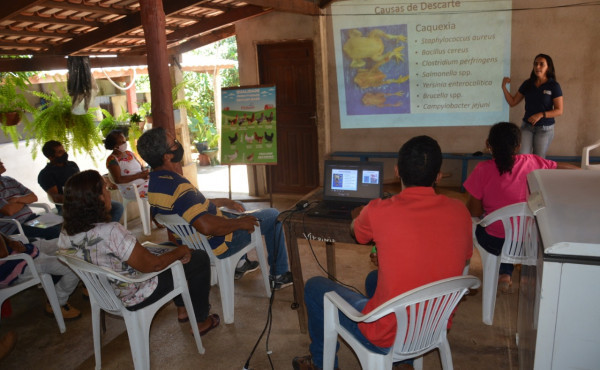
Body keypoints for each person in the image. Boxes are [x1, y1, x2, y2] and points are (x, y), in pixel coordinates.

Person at [292, 136, 473, 370]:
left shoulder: (378, 210)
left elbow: (357, 234)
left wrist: (360, 214)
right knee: (373, 279)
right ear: (439, 176)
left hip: (383, 336)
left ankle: (320, 362)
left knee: (315, 286)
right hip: (433, 326)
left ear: (397, 171)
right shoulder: (460, 211)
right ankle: (404, 362)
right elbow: (457, 256)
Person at [57, 170, 219, 334]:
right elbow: (154, 265)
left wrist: (174, 252)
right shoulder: (110, 231)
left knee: (168, 245)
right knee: (199, 258)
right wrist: (183, 250)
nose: (108, 192)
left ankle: (182, 309)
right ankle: (201, 321)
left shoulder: (66, 231)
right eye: (105, 189)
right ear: (96, 198)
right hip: (136, 292)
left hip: (107, 289)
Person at [136, 127, 293, 289]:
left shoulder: (155, 185)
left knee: (239, 207)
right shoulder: (178, 186)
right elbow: (207, 226)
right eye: (173, 143)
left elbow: (190, 206)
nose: (178, 144)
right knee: (273, 215)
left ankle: (240, 264)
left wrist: (224, 201)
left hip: (195, 241)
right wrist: (240, 223)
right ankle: (279, 275)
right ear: (167, 156)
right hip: (219, 243)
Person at [463, 122, 578, 292]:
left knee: (484, 225)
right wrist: (587, 172)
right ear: (518, 146)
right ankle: (508, 271)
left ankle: (504, 272)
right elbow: (562, 169)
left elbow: (475, 211)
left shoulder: (482, 170)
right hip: (530, 242)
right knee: (514, 227)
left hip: (495, 243)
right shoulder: (533, 162)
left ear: (488, 144)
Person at [37, 140, 123, 222]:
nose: (64, 153)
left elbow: (82, 184)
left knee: (117, 207)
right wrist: (81, 199)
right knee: (89, 215)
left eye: (63, 150)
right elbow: (56, 198)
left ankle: (106, 231)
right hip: (68, 206)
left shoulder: (72, 165)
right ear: (50, 157)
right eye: (60, 152)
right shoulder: (46, 174)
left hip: (87, 200)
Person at [0, 232, 81, 320]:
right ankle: (57, 302)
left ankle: (89, 280)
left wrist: (9, 240)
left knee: (65, 242)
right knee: (74, 266)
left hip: (21, 252)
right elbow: (3, 254)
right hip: (11, 268)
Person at [501, 53, 563, 158]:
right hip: (527, 127)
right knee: (522, 157)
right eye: (535, 64)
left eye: (541, 64)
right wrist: (503, 87)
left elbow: (559, 110)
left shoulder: (554, 86)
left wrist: (541, 114)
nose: (537, 67)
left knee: (538, 160)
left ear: (548, 67)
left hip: (545, 128)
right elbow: (512, 102)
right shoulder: (528, 83)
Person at [0, 160, 61, 241]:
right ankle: (66, 252)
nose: (2, 163)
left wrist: (17, 199)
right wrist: (24, 200)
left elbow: (33, 197)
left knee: (66, 225)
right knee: (54, 231)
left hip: (32, 219)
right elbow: (9, 211)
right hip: (15, 225)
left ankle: (68, 250)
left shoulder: (9, 180)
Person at [104, 130, 149, 199]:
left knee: (162, 184)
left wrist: (144, 173)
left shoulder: (129, 153)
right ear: (115, 146)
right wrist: (139, 176)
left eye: (124, 141)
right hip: (130, 189)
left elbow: (141, 167)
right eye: (122, 142)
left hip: (142, 182)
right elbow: (118, 180)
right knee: (156, 192)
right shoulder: (111, 160)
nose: (125, 143)